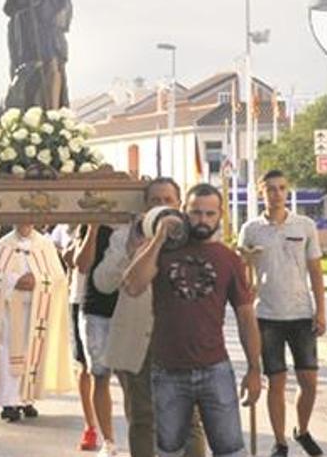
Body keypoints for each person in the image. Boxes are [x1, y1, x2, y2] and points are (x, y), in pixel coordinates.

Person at [123, 183, 262, 457]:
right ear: (184, 211)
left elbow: (246, 318)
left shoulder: (229, 259)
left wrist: (254, 369)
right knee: (169, 450)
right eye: (196, 213)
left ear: (220, 215)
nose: (203, 220)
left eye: (210, 214)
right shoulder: (162, 251)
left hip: (215, 369)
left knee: (231, 450)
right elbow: (133, 285)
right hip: (168, 370)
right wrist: (160, 238)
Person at [92, 178, 207, 457]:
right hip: (139, 339)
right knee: (143, 418)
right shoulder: (125, 236)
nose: (161, 206)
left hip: (182, 340)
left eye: (167, 200)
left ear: (178, 205)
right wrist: (130, 254)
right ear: (145, 206)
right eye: (155, 200)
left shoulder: (193, 237)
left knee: (190, 420)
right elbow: (102, 283)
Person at [237, 170, 325, 457]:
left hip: (301, 313)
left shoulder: (305, 225)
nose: (276, 194)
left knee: (309, 382)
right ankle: (280, 441)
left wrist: (321, 311)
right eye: (270, 189)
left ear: (288, 191)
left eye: (281, 188)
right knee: (276, 380)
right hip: (267, 316)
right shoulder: (251, 229)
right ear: (261, 192)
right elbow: (244, 270)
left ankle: (302, 430)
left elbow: (315, 270)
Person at [0, 224, 72, 422]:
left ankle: (27, 399)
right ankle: (9, 402)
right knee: (6, 353)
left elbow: (59, 278)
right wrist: (15, 280)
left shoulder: (45, 245)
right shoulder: (3, 244)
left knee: (32, 354)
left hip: (37, 312)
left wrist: (38, 279)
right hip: (8, 310)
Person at [75, 223, 119, 456]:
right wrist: (92, 227)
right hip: (96, 310)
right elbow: (82, 265)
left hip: (130, 310)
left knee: (134, 381)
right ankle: (109, 441)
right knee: (99, 375)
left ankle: (141, 436)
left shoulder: (138, 222)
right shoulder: (92, 224)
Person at [61, 225, 99, 450]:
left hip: (115, 299)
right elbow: (76, 260)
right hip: (82, 297)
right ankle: (90, 426)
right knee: (86, 367)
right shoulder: (83, 224)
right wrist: (90, 228)